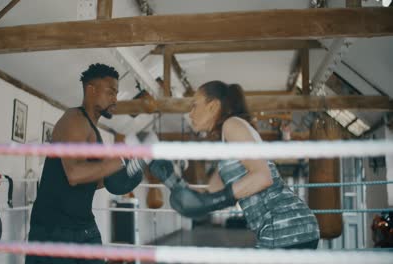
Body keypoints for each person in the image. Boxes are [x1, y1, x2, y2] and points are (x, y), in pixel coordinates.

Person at [149, 80, 320, 249]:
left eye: (194, 105)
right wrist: (173, 180)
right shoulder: (227, 150)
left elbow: (262, 176)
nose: (191, 113)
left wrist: (220, 198)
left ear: (213, 106)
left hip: (285, 224)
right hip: (284, 227)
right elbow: (209, 196)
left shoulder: (232, 124)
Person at [26, 63, 149, 264]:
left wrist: (128, 170)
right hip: (54, 232)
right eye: (111, 92)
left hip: (83, 227)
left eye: (116, 94)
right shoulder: (74, 119)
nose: (115, 99)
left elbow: (96, 180)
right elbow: (74, 174)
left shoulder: (94, 130)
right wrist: (122, 158)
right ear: (91, 90)